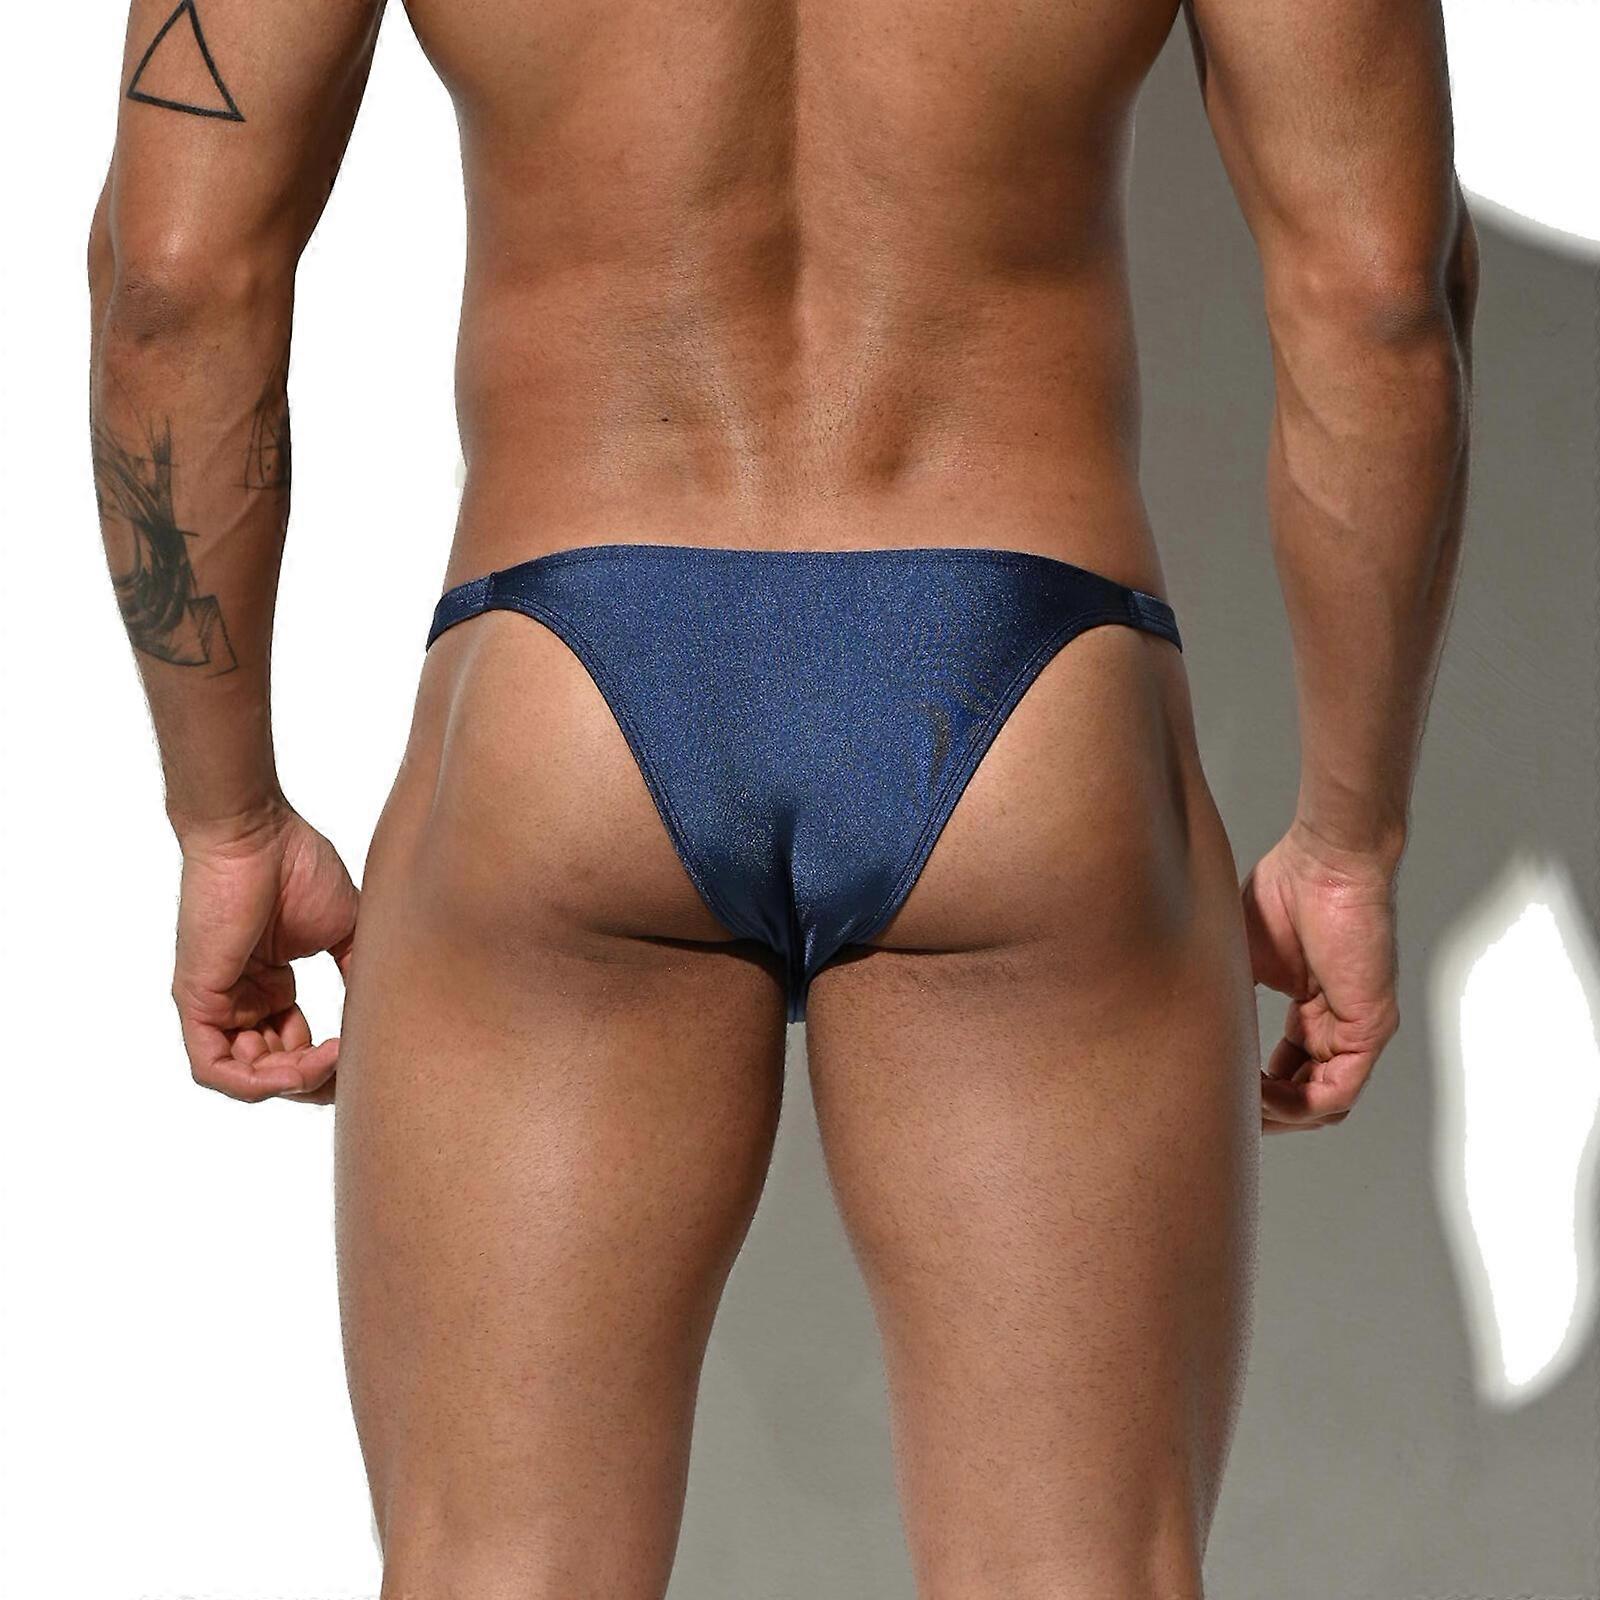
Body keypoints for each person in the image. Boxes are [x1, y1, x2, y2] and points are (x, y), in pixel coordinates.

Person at [88, 0, 1476, 1591]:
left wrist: (226, 818)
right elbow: (1381, 298)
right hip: (1031, 693)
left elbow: (170, 288)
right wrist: (1351, 839)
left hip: (562, 698)